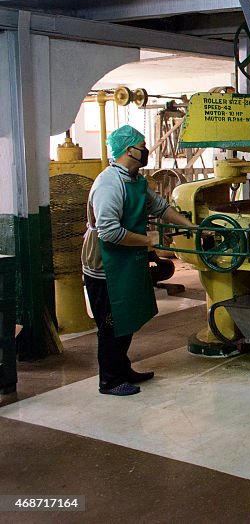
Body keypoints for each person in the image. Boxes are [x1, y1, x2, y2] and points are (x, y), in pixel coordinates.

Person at [84, 125, 195, 396]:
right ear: (127, 150)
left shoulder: (135, 180)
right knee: (111, 323)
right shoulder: (109, 184)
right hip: (105, 264)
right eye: (142, 145)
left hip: (128, 259)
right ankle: (109, 380)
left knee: (128, 318)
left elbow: (160, 207)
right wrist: (148, 241)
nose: (145, 149)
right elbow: (109, 231)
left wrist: (191, 226)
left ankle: (123, 368)